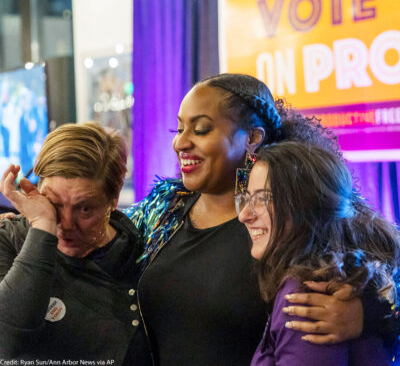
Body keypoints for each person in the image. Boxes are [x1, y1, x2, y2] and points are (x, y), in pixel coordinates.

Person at [124, 73, 398, 365]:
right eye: (178, 129)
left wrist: (372, 313)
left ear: (253, 137)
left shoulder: (294, 224)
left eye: (201, 129)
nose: (181, 142)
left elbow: (383, 275)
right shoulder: (164, 211)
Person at [0, 122, 151, 364]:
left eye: (85, 208)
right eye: (54, 204)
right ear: (36, 190)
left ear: (114, 198)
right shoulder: (9, 239)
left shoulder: (142, 256)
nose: (66, 224)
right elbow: (7, 343)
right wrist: (42, 227)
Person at [237, 141, 400, 365]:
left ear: (304, 204)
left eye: (263, 198)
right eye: (246, 199)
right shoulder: (350, 274)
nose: (244, 215)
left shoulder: (307, 295)